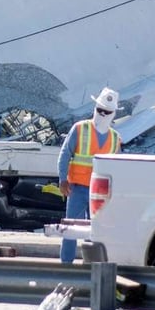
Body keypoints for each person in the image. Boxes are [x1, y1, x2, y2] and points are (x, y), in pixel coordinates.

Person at [57, 86, 122, 263]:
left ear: (113, 113)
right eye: (100, 110)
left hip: (99, 193)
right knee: (70, 229)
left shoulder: (115, 138)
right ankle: (66, 265)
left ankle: (92, 265)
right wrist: (62, 180)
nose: (102, 114)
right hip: (77, 189)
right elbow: (64, 154)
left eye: (106, 111)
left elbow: (116, 169)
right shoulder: (80, 129)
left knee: (96, 231)